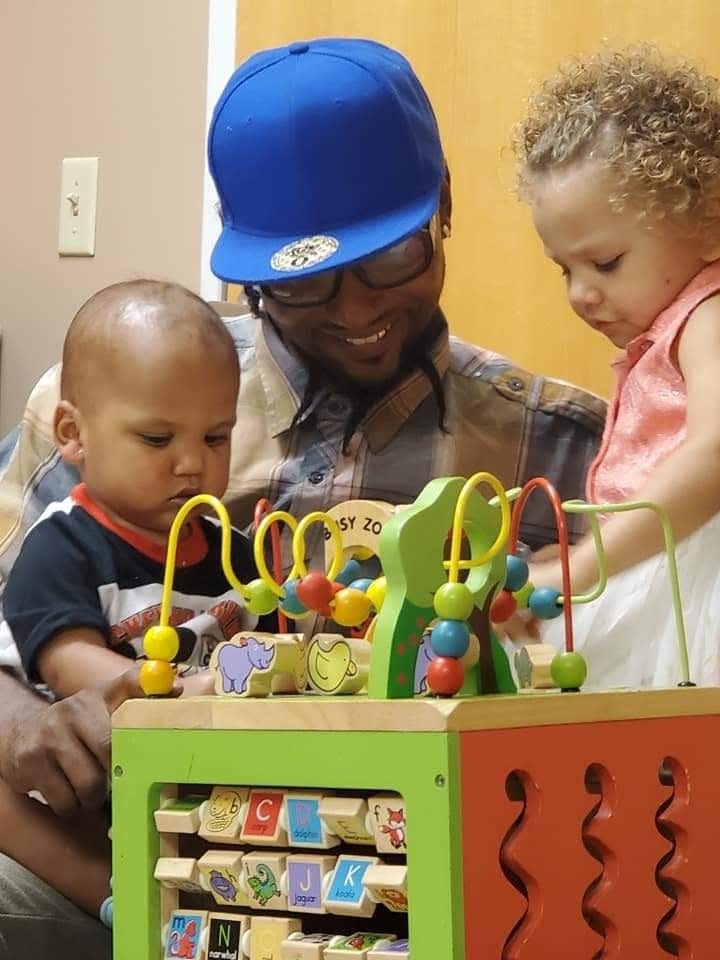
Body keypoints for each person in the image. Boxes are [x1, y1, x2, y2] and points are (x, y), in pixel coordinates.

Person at [0, 38, 604, 959]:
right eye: (302, 277)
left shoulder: (557, 444)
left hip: (423, 883)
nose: (355, 307)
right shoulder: (113, 400)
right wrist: (32, 724)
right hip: (128, 862)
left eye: (392, 257)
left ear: (446, 206)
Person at [0, 278, 263, 925]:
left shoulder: (240, 551)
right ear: (73, 433)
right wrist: (198, 688)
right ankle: (115, 902)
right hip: (83, 788)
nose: (190, 465)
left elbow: (279, 638)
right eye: (156, 439)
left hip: (207, 784)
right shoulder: (62, 543)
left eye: (215, 438)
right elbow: (71, 665)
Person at [513, 45, 720, 688]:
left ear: (711, 224)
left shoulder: (708, 315)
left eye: (605, 263)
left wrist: (587, 565)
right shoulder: (672, 325)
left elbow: (715, 449)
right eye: (563, 269)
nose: (580, 293)